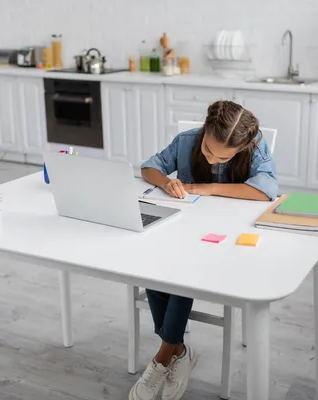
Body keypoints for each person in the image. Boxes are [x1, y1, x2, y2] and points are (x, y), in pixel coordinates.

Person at [128, 100, 278, 400]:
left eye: (222, 158)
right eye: (208, 150)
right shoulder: (187, 141)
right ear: (205, 130)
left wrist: (205, 188)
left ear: (241, 148)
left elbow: (265, 190)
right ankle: (178, 351)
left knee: (184, 269)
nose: (210, 161)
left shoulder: (255, 148)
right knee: (153, 260)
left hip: (228, 241)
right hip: (186, 233)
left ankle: (163, 356)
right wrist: (168, 184)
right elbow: (149, 167)